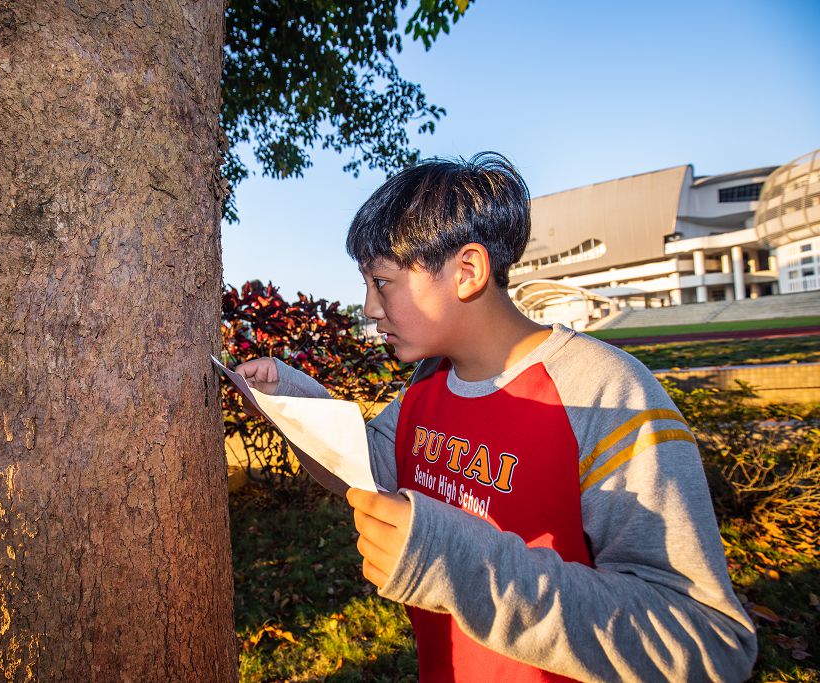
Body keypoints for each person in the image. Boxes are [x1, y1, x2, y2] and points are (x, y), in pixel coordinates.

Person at [235, 154, 757, 681]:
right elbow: (369, 467)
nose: (369, 307)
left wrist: (455, 564)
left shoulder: (605, 393)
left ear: (467, 272)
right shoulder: (427, 382)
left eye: (382, 282)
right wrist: (290, 397)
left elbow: (708, 643)